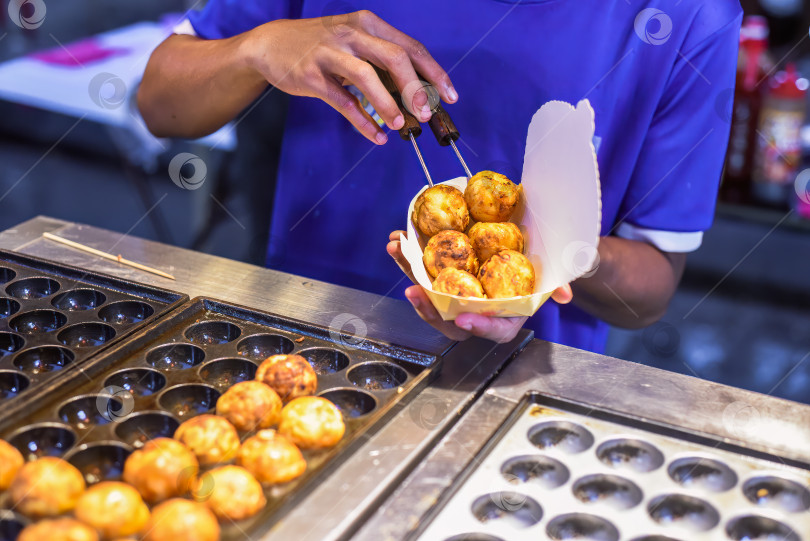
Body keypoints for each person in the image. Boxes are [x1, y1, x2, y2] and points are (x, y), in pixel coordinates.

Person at [138, 1, 742, 352]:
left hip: (524, 391)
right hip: (303, 336)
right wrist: (258, 48)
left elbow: (651, 287)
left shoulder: (689, 16)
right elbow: (160, 103)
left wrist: (563, 256)